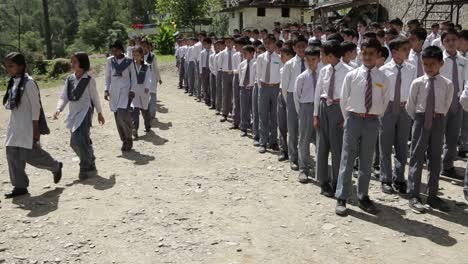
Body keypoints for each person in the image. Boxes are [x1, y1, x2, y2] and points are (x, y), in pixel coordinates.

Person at [335, 38, 391, 216]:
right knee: (347, 157)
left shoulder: (383, 78)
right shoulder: (352, 75)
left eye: (371, 54)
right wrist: (349, 118)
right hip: (353, 119)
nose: (367, 57)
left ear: (378, 55)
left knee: (366, 159)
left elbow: (384, 101)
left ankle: (363, 195)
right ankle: (342, 196)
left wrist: (374, 116)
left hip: (372, 121)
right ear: (360, 54)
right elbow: (344, 99)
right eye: (364, 53)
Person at [3, 52, 62, 198]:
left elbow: (36, 108)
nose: (8, 69)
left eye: (11, 66)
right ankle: (20, 186)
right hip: (14, 126)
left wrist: (36, 129)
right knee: (12, 154)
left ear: (21, 66)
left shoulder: (29, 83)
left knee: (30, 155)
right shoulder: (13, 82)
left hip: (28, 126)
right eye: (7, 66)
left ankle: (55, 166)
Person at [406, 46, 454, 213]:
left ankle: (433, 195)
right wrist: (420, 119)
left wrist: (436, 117)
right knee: (416, 156)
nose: (429, 68)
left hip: (438, 120)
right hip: (420, 120)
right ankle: (413, 194)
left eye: (432, 64)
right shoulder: (417, 83)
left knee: (435, 158)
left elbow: (446, 105)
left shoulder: (447, 84)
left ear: (441, 63)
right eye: (425, 64)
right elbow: (410, 106)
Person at [54, 52, 105, 179]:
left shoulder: (89, 80)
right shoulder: (70, 79)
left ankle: (84, 168)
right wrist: (58, 109)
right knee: (75, 142)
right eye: (71, 61)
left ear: (82, 63)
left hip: (85, 113)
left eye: (74, 62)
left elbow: (95, 97)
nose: (72, 64)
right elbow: (64, 96)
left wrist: (99, 113)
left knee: (79, 140)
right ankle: (90, 159)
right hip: (73, 114)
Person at [314, 40, 354, 194]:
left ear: (330, 56)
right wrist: (315, 114)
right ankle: (323, 181)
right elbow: (318, 92)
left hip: (339, 109)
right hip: (324, 108)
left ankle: (337, 181)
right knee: (322, 146)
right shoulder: (324, 70)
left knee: (337, 148)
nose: (320, 57)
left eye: (322, 54)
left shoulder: (349, 71)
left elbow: (350, 96)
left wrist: (347, 117)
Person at [378, 37, 416, 194]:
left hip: (404, 108)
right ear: (394, 52)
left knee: (402, 145)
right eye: (405, 49)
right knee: (385, 145)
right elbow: (379, 92)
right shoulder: (383, 70)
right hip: (387, 109)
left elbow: (413, 91)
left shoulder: (411, 68)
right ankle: (385, 178)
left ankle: (399, 178)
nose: (408, 52)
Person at [439, 29, 468, 178]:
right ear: (442, 43)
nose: (451, 43)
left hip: (457, 103)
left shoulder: (463, 61)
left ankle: (448, 166)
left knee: (452, 137)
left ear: (458, 41)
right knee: (438, 136)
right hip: (441, 103)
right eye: (447, 40)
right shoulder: (439, 60)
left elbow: (465, 81)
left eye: (454, 40)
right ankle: (435, 165)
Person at [295, 46, 322, 183]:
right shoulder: (301, 77)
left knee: (320, 140)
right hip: (306, 108)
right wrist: (302, 112)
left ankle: (320, 170)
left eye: (314, 59)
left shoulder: (323, 75)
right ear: (305, 60)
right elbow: (297, 97)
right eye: (308, 60)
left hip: (321, 109)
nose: (311, 62)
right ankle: (303, 169)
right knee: (304, 140)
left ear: (319, 59)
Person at [281, 35, 308, 169]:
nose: (301, 49)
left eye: (303, 46)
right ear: (294, 48)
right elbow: (285, 87)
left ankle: (305, 157)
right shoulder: (289, 64)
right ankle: (293, 157)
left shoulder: (312, 62)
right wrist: (289, 102)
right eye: (298, 47)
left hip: (307, 98)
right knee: (293, 129)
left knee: (305, 130)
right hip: (292, 96)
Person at [104, 40, 135, 152]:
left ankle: (129, 138)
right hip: (114, 92)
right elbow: (107, 77)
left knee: (124, 116)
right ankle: (123, 140)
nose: (114, 53)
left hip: (125, 92)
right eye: (112, 51)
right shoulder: (109, 61)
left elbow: (134, 78)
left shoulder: (129, 61)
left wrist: (132, 90)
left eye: (116, 50)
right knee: (117, 118)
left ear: (121, 49)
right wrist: (106, 90)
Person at [256, 34, 283, 153]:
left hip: (275, 88)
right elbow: (258, 74)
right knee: (263, 115)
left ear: (274, 43)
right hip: (264, 87)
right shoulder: (261, 57)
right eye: (265, 43)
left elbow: (281, 74)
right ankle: (263, 141)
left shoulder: (279, 58)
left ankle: (273, 141)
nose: (267, 45)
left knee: (274, 115)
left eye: (270, 43)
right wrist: (260, 86)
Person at [130, 46, 153, 138]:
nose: (136, 57)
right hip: (134, 90)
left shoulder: (146, 66)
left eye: (137, 55)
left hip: (144, 91)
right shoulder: (131, 66)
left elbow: (149, 78)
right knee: (135, 110)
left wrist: (147, 86)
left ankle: (147, 125)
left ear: (141, 55)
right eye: (134, 55)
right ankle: (135, 129)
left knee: (144, 110)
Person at [278, 47, 296, 161]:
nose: (280, 58)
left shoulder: (293, 65)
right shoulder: (282, 67)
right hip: (283, 95)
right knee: (282, 124)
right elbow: (283, 86)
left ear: (290, 56)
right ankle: (283, 150)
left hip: (291, 96)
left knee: (293, 127)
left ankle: (293, 152)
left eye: (283, 55)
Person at [238, 45, 256, 137]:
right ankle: (243, 128)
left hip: (252, 88)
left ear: (252, 53)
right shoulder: (242, 64)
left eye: (246, 53)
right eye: (243, 53)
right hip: (243, 88)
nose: (244, 55)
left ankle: (254, 129)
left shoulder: (256, 63)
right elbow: (240, 76)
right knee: (244, 109)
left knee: (253, 110)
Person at [141, 40, 162, 121]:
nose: (143, 47)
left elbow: (156, 68)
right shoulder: (139, 56)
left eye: (145, 46)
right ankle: (147, 113)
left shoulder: (152, 56)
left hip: (152, 79)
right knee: (145, 97)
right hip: (143, 80)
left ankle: (152, 115)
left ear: (148, 46)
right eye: (142, 46)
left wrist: (159, 78)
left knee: (152, 97)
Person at [219, 37, 235, 123]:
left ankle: (233, 113)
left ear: (233, 43)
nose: (228, 44)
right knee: (225, 94)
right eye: (227, 42)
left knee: (234, 95)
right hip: (225, 74)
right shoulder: (222, 53)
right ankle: (224, 113)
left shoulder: (236, 52)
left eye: (230, 42)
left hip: (233, 73)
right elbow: (219, 64)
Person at [199, 37, 214, 106]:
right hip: (204, 69)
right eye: (203, 44)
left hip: (211, 69)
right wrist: (200, 71)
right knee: (205, 85)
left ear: (210, 44)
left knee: (211, 85)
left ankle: (211, 99)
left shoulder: (213, 52)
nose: (204, 45)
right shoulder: (202, 52)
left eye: (205, 44)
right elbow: (201, 63)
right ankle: (206, 99)